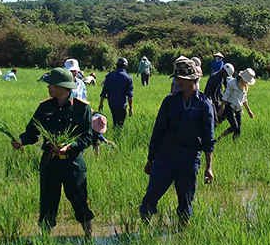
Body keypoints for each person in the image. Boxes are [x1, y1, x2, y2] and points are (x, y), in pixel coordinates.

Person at [11, 68, 95, 238]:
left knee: (79, 199)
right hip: (50, 163)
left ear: (63, 87)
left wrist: (69, 146)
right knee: (48, 201)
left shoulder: (81, 108)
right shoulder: (44, 107)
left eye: (51, 84)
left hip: (72, 163)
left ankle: (89, 237)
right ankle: (44, 239)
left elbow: (87, 137)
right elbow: (32, 132)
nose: (48, 87)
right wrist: (21, 140)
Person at [140, 58, 215, 226]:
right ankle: (144, 232)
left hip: (189, 158)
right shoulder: (170, 102)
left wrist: (209, 166)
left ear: (193, 80)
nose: (179, 82)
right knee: (151, 196)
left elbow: (208, 137)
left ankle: (182, 232)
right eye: (177, 78)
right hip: (165, 156)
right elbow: (157, 132)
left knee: (185, 200)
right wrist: (150, 159)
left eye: (183, 79)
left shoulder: (204, 104)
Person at [216, 68, 257, 142]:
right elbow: (226, 96)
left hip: (238, 108)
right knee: (234, 126)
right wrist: (222, 108)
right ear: (241, 78)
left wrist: (249, 111)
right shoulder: (233, 84)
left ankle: (235, 142)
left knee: (238, 129)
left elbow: (244, 100)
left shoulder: (245, 87)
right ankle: (219, 138)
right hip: (230, 107)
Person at [99, 57, 134, 128]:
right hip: (122, 104)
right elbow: (130, 95)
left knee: (115, 120)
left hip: (111, 103)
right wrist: (131, 108)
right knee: (120, 124)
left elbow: (104, 91)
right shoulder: (128, 78)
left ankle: (115, 134)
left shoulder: (109, 75)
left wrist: (101, 103)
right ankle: (117, 137)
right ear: (126, 66)